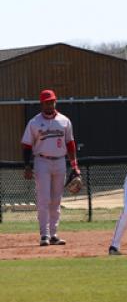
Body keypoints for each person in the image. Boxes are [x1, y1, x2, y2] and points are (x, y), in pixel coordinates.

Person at [21, 89, 80, 246]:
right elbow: (26, 146)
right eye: (46, 102)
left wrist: (75, 166)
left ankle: (53, 234)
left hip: (60, 161)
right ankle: (44, 235)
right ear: (42, 104)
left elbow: (70, 144)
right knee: (44, 199)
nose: (49, 104)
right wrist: (27, 166)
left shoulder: (64, 121)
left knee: (56, 200)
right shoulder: (34, 122)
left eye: (52, 101)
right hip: (42, 161)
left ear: (55, 102)